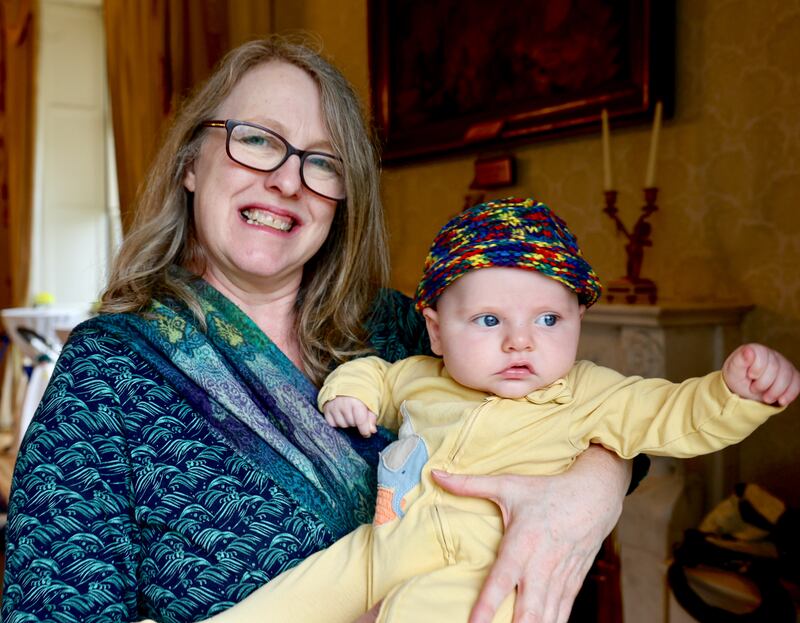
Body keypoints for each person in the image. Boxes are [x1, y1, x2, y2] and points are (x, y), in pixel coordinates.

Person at [1, 38, 642, 623]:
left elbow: (589, 409)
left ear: (342, 201)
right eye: (256, 139)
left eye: (322, 161)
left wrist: (588, 494)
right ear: (190, 162)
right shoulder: (109, 369)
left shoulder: (397, 327)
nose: (286, 179)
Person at [200, 197, 800, 623]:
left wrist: (733, 393)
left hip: (487, 564)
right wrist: (348, 394)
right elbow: (373, 376)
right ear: (435, 331)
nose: (522, 341)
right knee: (296, 595)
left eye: (548, 320)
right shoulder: (420, 374)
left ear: (577, 322)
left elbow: (676, 414)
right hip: (386, 540)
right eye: (490, 321)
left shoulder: (592, 393)